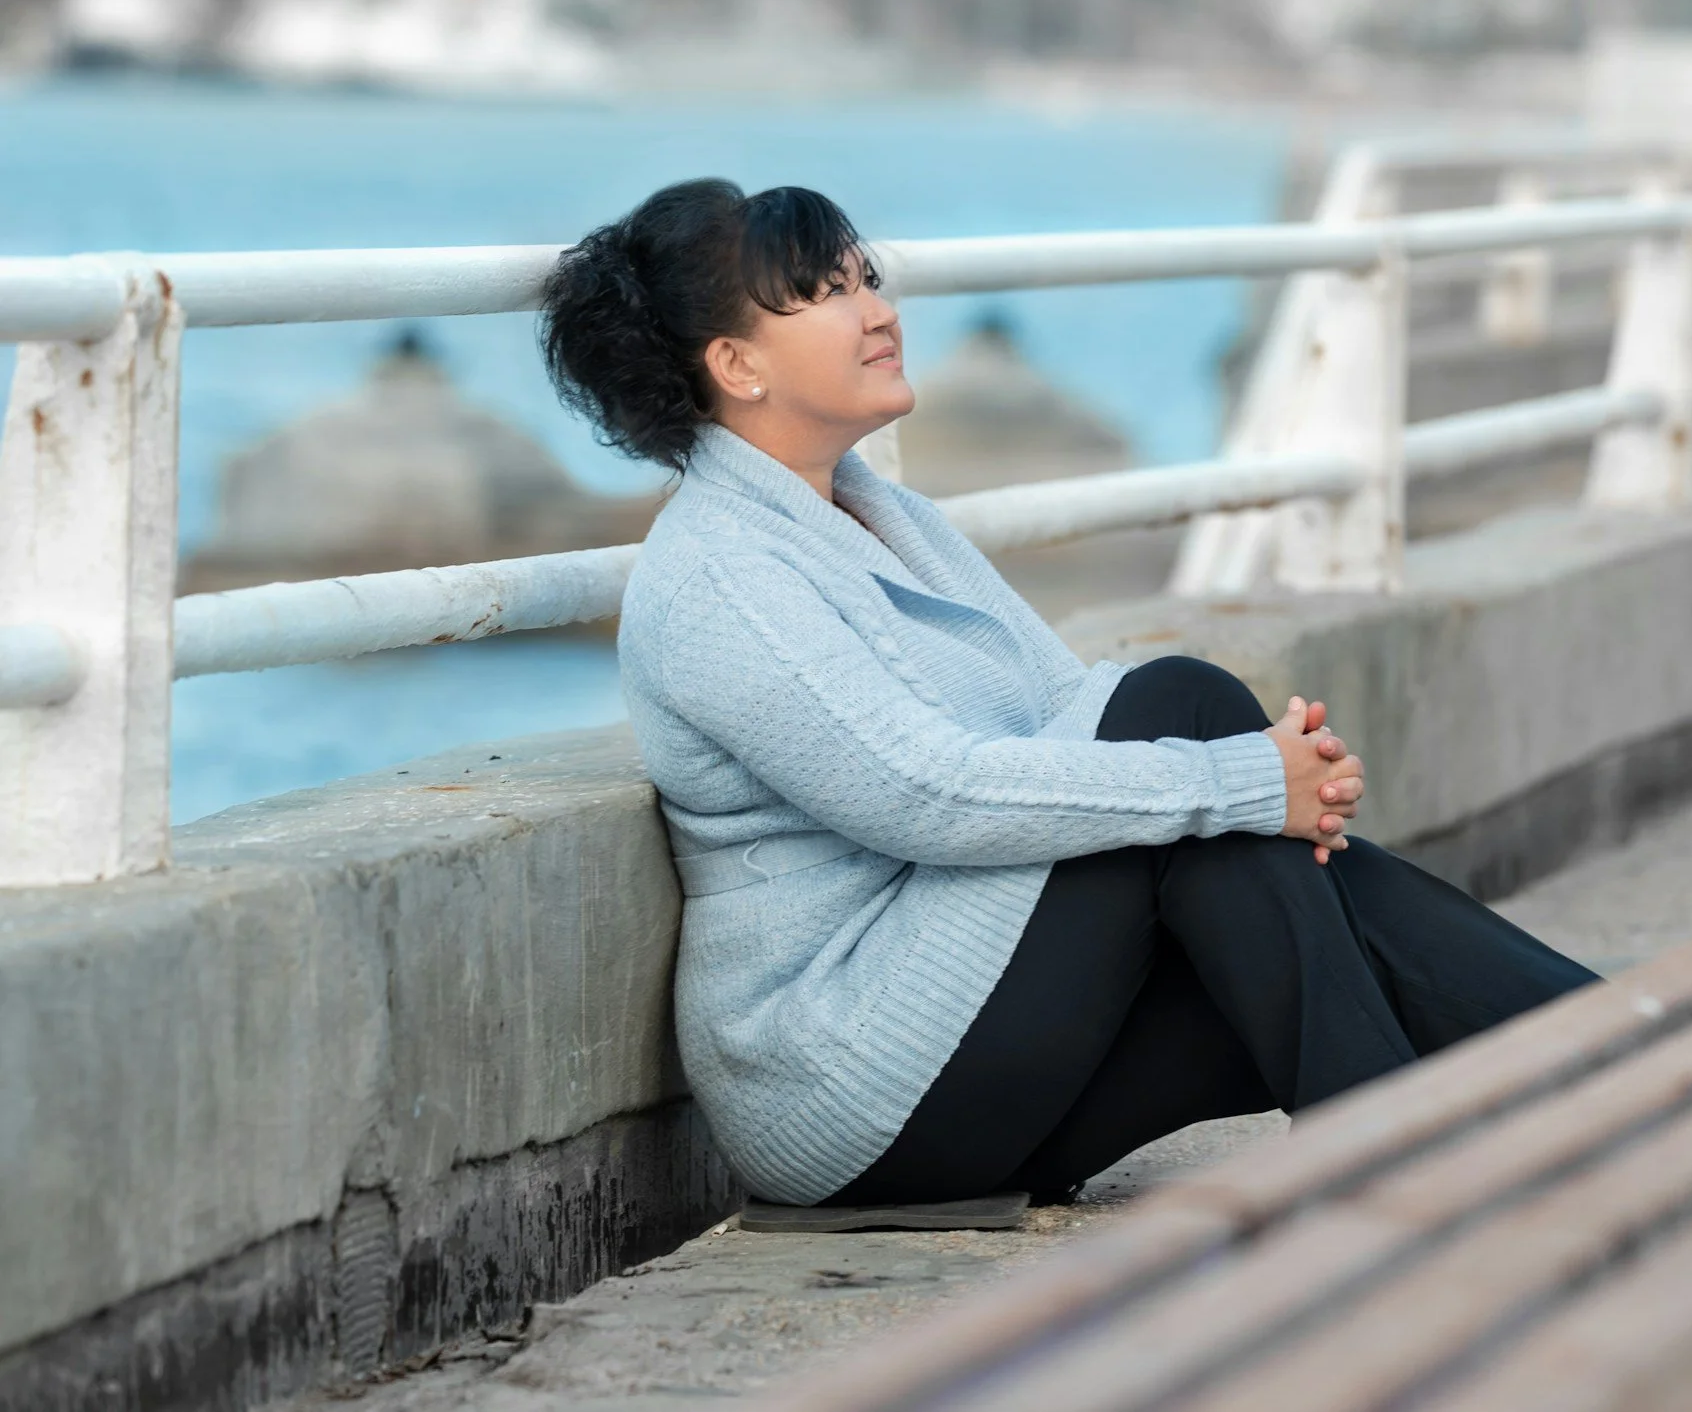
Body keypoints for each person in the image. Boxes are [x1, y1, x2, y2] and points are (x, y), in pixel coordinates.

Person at [540, 177, 1598, 1211]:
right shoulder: (724, 574)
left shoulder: (884, 514)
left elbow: (1063, 701)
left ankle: (1636, 1059)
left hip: (975, 1028)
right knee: (1184, 714)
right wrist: (1241, 777)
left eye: (866, 278)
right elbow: (928, 795)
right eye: (825, 293)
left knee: (1286, 912)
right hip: (850, 1078)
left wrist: (1255, 790)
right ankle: (1522, 1103)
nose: (878, 313)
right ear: (736, 365)